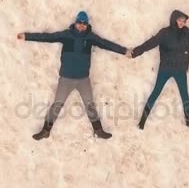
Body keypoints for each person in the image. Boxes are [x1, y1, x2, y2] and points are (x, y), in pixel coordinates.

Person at [18, 11, 132, 140]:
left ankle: (98, 130)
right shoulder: (66, 35)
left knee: (90, 105)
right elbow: (47, 37)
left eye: (84, 24)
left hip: (83, 80)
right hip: (66, 80)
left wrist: (124, 51)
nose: (82, 26)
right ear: (75, 23)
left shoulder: (90, 38)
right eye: (80, 23)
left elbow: (106, 44)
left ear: (87, 25)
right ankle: (45, 130)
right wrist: (26, 36)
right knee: (57, 104)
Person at [131, 10, 189, 131]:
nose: (182, 23)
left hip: (180, 70)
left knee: (185, 95)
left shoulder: (187, 33)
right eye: (180, 20)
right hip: (165, 69)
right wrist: (135, 52)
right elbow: (150, 44)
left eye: (184, 21)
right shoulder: (164, 33)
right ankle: (143, 119)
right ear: (174, 19)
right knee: (156, 92)